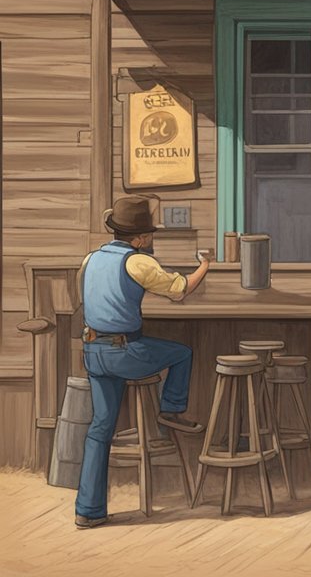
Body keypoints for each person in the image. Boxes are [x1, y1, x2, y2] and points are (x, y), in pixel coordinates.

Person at [75, 195, 211, 529]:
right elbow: (179, 289)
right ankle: (170, 410)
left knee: (100, 428)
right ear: (140, 237)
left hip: (93, 352)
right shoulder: (138, 262)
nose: (151, 238)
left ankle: (88, 510)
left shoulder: (90, 259)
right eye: (149, 233)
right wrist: (204, 265)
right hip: (125, 354)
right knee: (182, 353)